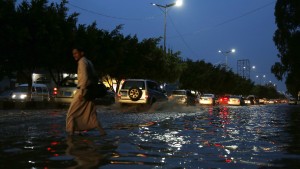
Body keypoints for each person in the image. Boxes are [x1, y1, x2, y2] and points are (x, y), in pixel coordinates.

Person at [66, 47, 106, 136]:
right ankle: (102, 133)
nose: (74, 55)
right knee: (90, 113)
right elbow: (95, 77)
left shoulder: (82, 62)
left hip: (83, 91)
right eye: (73, 54)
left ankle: (70, 136)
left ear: (82, 53)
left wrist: (82, 92)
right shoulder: (89, 62)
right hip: (89, 92)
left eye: (76, 53)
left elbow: (84, 77)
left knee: (71, 113)